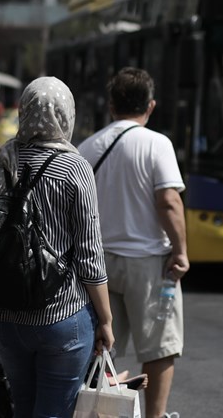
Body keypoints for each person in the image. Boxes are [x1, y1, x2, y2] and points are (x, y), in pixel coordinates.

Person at [0, 76, 114, 418]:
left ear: (24, 111)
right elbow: (89, 255)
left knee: (22, 409)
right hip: (63, 316)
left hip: (9, 318)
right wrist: (106, 320)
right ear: (66, 115)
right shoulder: (75, 168)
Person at [77, 67, 188, 418]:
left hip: (99, 266)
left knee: (99, 349)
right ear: (151, 106)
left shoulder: (87, 147)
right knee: (158, 350)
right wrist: (181, 252)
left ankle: (100, 413)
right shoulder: (157, 144)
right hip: (148, 263)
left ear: (111, 105)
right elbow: (168, 201)